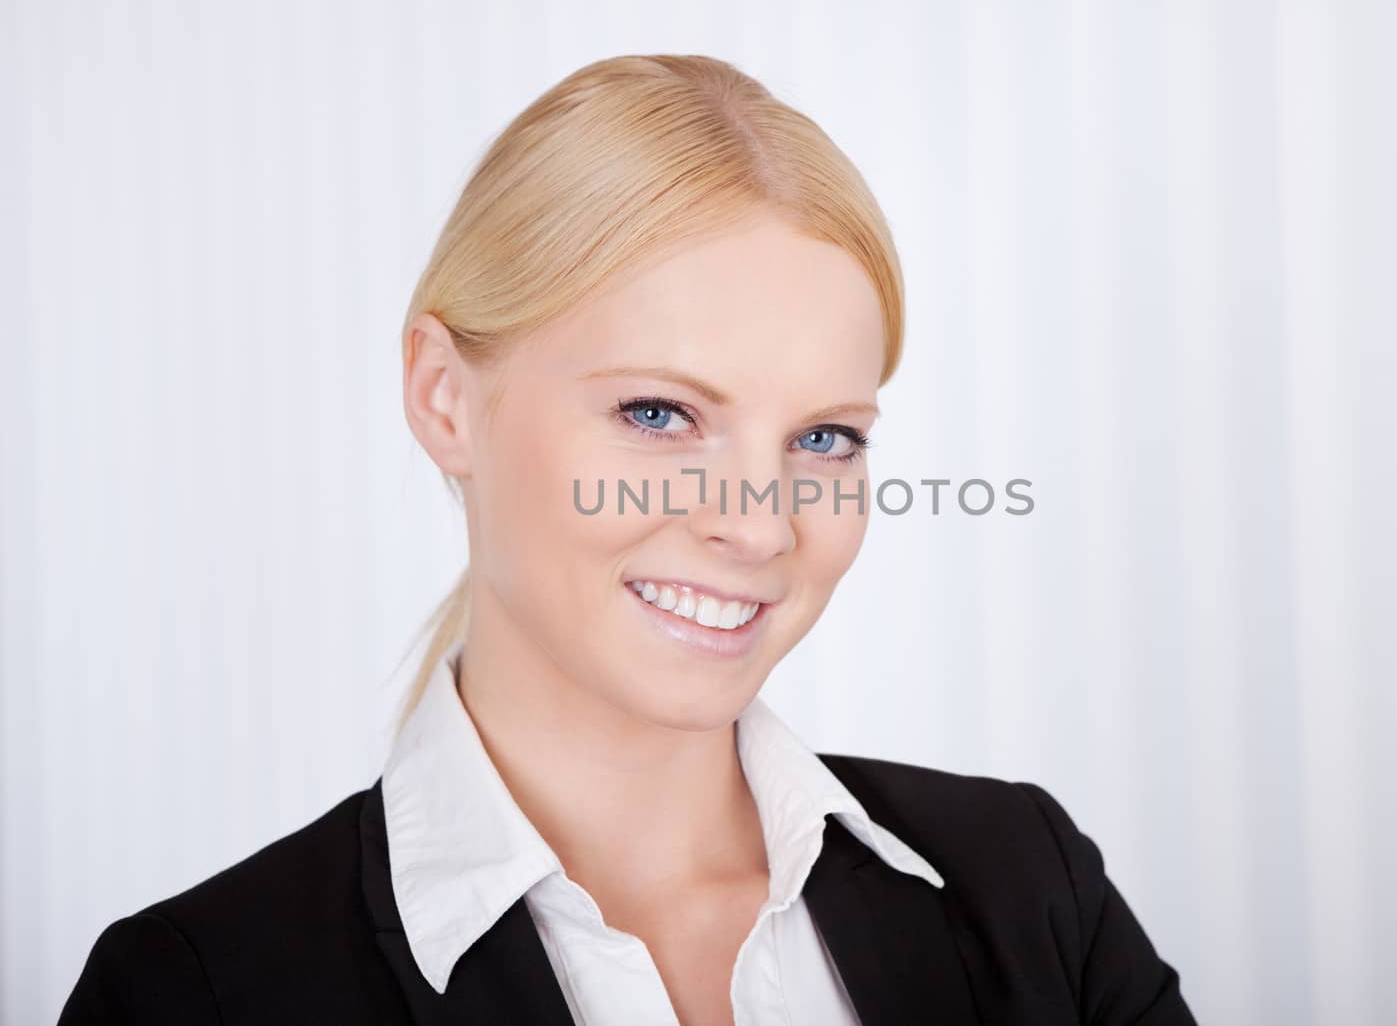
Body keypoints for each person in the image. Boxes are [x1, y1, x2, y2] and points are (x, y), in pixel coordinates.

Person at [59, 53, 1196, 1025]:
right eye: (659, 414)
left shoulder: (1026, 885)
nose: (756, 523)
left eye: (825, 438)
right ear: (446, 397)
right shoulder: (196, 990)